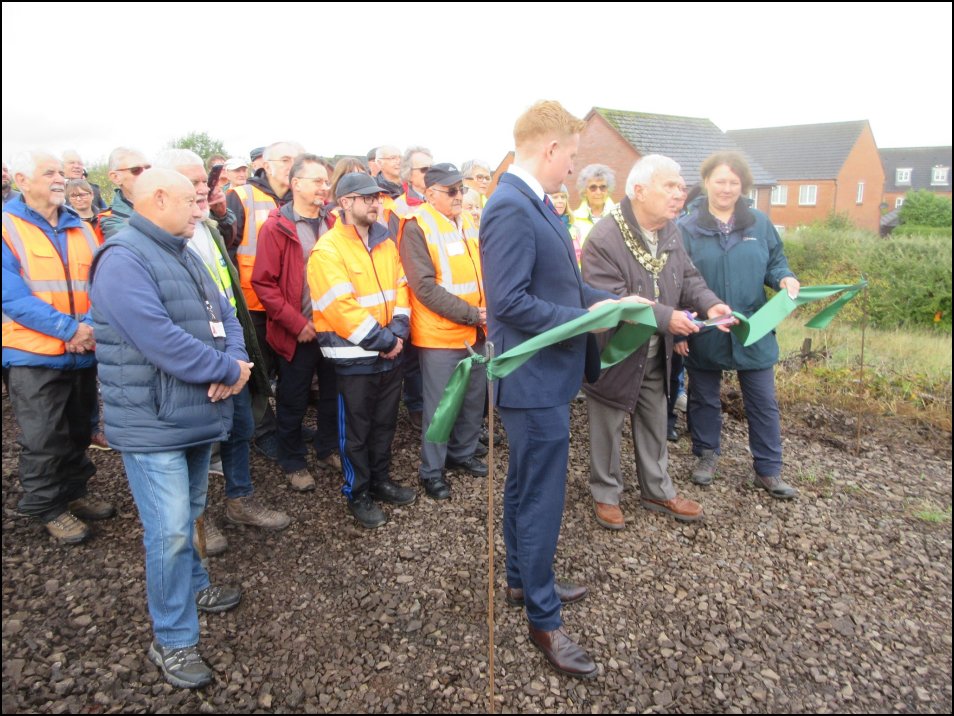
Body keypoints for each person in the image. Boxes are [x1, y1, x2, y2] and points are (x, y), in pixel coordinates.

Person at [481, 100, 639, 679]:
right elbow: (510, 302)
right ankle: (544, 621)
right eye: (570, 158)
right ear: (549, 150)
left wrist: (612, 303)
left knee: (526, 485)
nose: (572, 171)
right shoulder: (510, 207)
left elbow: (563, 284)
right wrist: (586, 323)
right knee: (542, 497)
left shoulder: (536, 202)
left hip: (546, 376)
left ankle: (524, 581)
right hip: (531, 378)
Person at [89, 168, 250, 689]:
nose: (200, 209)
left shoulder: (185, 250)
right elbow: (156, 337)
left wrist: (238, 363)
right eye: (189, 200)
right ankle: (174, 640)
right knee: (171, 530)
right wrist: (226, 371)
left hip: (196, 413)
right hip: (154, 419)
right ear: (157, 198)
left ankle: (196, 584)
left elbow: (226, 314)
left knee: (191, 514)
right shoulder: (123, 258)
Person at [581, 155, 735, 529]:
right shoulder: (603, 237)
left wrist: (710, 304)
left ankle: (657, 489)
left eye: (681, 187)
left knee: (654, 420)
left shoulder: (670, 230)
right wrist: (669, 319)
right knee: (607, 423)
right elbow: (614, 299)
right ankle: (605, 493)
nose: (679, 194)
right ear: (639, 190)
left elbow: (689, 277)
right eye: (670, 186)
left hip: (655, 351)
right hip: (614, 351)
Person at [152, 149, 290, 555]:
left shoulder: (207, 228)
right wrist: (211, 362)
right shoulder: (152, 240)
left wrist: (232, 354)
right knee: (196, 444)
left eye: (204, 181)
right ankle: (197, 519)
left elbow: (225, 296)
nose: (202, 189)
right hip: (193, 360)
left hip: (229, 350)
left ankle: (239, 499)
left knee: (240, 429)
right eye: (191, 181)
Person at [2, 150, 115, 544]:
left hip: (81, 350)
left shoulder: (81, 227)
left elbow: (99, 282)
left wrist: (86, 328)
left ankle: (73, 493)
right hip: (33, 353)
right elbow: (11, 297)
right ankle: (46, 505)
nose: (57, 179)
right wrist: (71, 329)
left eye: (58, 173)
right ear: (21, 179)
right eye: (47, 172)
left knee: (80, 427)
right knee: (44, 435)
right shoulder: (6, 227)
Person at [677, 151, 801, 500]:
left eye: (733, 182)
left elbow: (775, 262)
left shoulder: (759, 224)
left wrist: (785, 278)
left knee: (762, 401)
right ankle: (706, 455)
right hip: (705, 326)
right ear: (706, 183)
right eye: (720, 181)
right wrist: (678, 328)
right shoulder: (685, 228)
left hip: (753, 327)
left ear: (742, 185)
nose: (726, 188)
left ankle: (769, 469)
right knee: (703, 397)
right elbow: (676, 280)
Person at [307, 173, 413, 529]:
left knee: (384, 424)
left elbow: (402, 289)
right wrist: (385, 341)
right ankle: (358, 492)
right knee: (356, 430)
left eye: (378, 197)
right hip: (354, 359)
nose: (375, 202)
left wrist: (397, 332)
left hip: (389, 352)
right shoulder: (328, 250)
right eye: (366, 197)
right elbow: (340, 308)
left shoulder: (385, 243)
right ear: (345, 203)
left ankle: (380, 480)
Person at [252, 154, 342, 493]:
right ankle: (292, 459)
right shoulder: (276, 227)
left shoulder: (333, 224)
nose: (324, 187)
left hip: (334, 329)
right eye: (318, 181)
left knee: (334, 394)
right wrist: (294, 323)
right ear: (296, 184)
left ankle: (327, 447)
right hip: (298, 332)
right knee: (293, 398)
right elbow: (264, 283)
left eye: (326, 181)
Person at [399, 163, 487, 501]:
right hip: (441, 333)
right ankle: (431, 471)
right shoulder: (417, 226)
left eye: (460, 190)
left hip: (475, 328)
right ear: (430, 193)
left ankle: (462, 453)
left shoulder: (466, 223)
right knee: (440, 407)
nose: (459, 196)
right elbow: (423, 287)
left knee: (472, 398)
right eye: (452, 191)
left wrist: (482, 314)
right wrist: (470, 313)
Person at [227, 140, 304, 460]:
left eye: (296, 160)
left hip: (293, 307)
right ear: (266, 165)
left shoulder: (302, 200)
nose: (291, 165)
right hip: (254, 305)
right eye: (285, 159)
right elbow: (230, 250)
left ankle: (289, 427)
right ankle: (263, 431)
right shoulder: (242, 195)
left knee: (291, 374)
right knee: (259, 374)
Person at [99, 147, 151, 240]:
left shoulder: (165, 203)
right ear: (115, 177)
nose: (145, 174)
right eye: (136, 170)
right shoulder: (112, 220)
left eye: (148, 168)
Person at [573, 164, 616, 246]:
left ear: (608, 190)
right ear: (585, 191)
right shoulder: (574, 220)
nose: (598, 192)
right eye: (593, 187)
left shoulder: (618, 216)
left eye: (603, 187)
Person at [548, 184, 582, 264]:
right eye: (555, 197)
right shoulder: (544, 225)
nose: (560, 201)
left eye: (563, 197)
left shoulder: (575, 227)